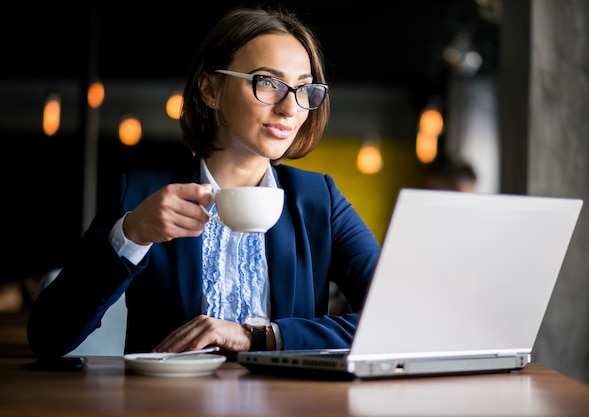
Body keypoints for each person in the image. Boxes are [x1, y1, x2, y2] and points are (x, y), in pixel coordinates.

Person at [27, 6, 381, 358]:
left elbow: (399, 321)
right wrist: (131, 235)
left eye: (304, 89)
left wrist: (259, 336)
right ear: (210, 89)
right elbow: (48, 336)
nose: (290, 108)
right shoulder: (140, 196)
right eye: (268, 83)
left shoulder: (321, 201)